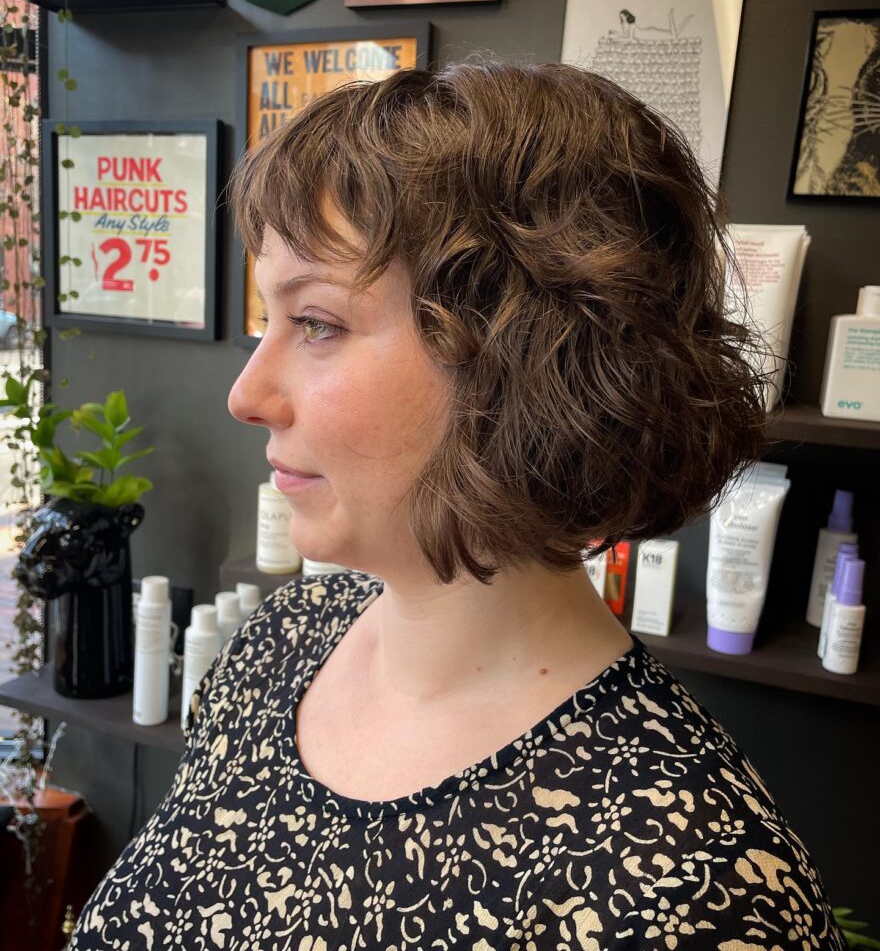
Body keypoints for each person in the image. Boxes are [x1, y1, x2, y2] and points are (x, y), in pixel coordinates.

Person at [69, 59, 845, 950]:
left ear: (524, 366)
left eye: (316, 322)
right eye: (267, 323)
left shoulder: (690, 886)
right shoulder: (280, 645)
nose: (246, 393)